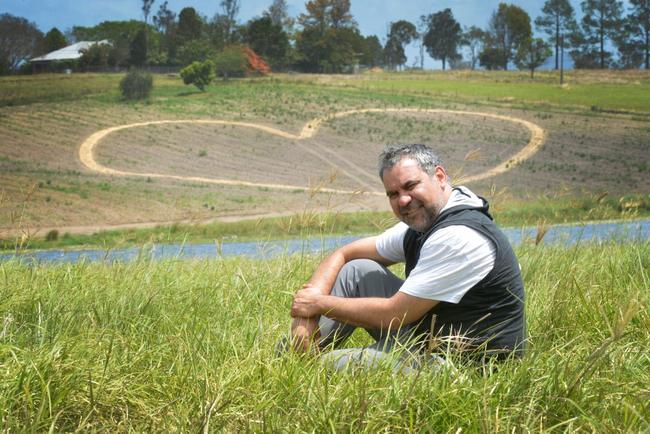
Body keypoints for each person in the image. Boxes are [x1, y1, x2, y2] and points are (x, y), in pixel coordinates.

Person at [289, 144, 525, 370]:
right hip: (430, 336)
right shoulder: (430, 219)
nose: (403, 200)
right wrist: (305, 317)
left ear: (440, 177)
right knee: (357, 269)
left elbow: (394, 314)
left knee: (326, 367)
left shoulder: (458, 236)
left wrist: (317, 304)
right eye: (393, 193)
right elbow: (344, 253)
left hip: (466, 365)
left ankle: (304, 365)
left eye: (411, 185)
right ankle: (295, 355)